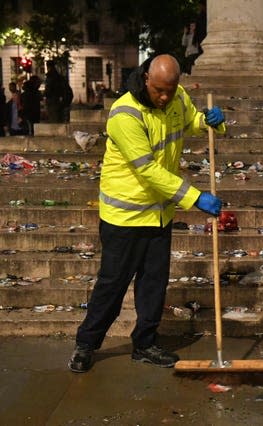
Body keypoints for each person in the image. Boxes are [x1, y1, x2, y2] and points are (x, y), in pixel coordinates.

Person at [68, 54, 226, 373]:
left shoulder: (177, 97)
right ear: (145, 79)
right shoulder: (125, 114)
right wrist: (195, 197)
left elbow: (190, 120)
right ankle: (86, 344)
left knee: (154, 283)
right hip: (124, 217)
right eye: (159, 90)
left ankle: (145, 343)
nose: (165, 97)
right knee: (112, 285)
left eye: (170, 89)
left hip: (159, 214)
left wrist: (209, 121)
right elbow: (148, 170)